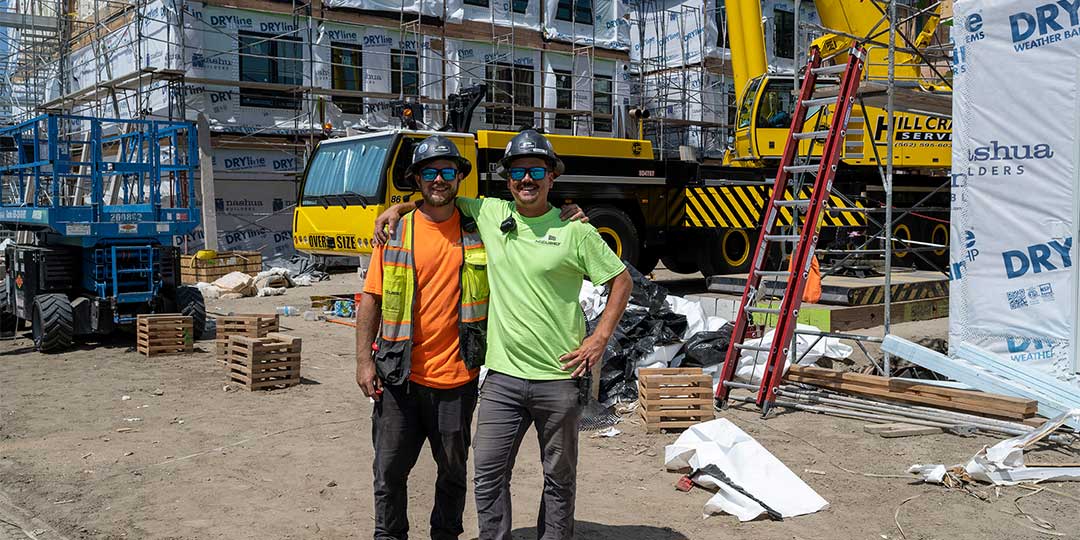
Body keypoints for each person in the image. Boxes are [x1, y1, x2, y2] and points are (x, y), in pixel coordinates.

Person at [375, 129, 633, 540]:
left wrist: (598, 338)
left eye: (536, 171)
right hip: (502, 379)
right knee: (488, 476)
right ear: (508, 180)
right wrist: (397, 208)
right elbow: (438, 197)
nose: (526, 180)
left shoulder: (576, 230)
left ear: (552, 177)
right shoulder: (492, 214)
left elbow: (621, 280)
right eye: (517, 173)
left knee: (559, 479)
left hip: (558, 379)